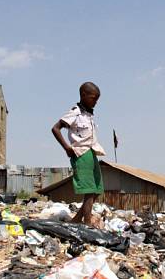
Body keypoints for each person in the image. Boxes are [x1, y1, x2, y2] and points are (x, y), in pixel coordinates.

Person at [52, 81, 106, 225]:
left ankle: (76, 220)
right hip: (81, 154)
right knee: (89, 190)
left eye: (97, 99)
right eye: (93, 98)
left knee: (97, 189)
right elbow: (55, 128)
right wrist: (67, 147)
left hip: (92, 151)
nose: (96, 102)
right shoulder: (75, 112)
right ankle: (87, 223)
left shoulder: (88, 115)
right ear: (83, 95)